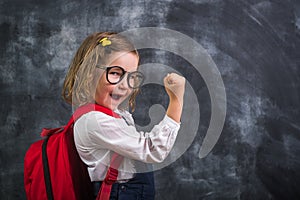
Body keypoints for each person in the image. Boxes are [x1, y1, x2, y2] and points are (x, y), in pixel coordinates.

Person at [61, 32, 185, 200]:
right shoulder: (95, 121)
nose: (125, 85)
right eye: (115, 73)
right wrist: (176, 101)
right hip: (120, 193)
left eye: (132, 77)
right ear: (88, 73)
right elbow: (151, 150)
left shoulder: (113, 115)